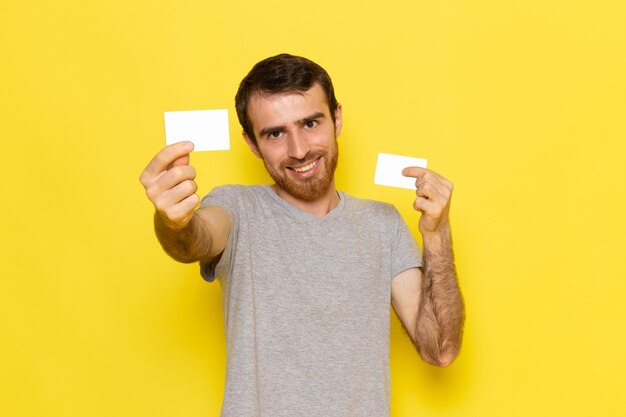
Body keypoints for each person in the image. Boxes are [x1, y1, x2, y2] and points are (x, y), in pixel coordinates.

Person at [139, 53, 464, 417]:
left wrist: (437, 235)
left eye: (310, 123)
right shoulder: (237, 208)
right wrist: (174, 221)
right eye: (275, 133)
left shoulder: (382, 223)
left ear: (337, 118)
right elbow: (194, 240)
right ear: (251, 143)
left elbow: (441, 349)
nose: (299, 150)